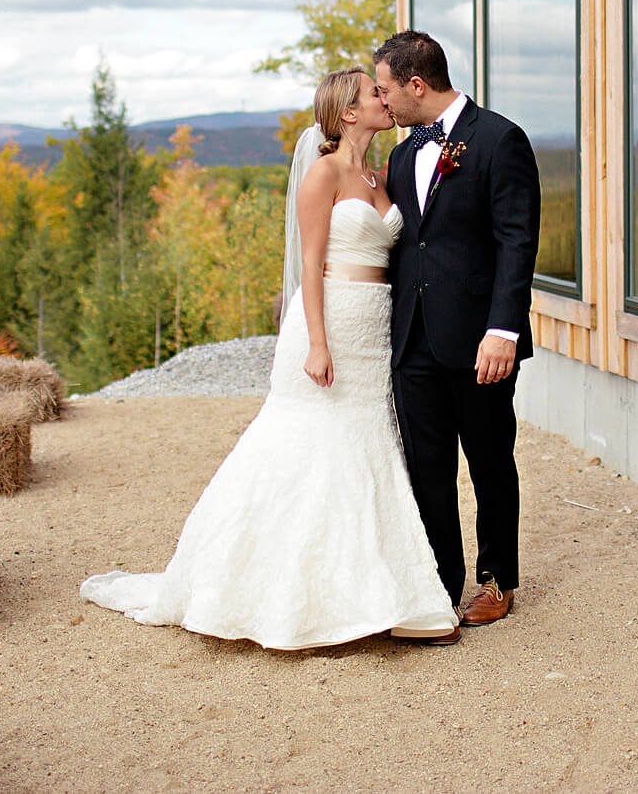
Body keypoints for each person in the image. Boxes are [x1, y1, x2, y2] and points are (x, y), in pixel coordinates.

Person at [78, 68, 458, 649]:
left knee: (368, 448)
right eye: (373, 95)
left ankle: (383, 595)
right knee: (303, 448)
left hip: (377, 330)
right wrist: (318, 341)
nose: (385, 100)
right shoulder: (323, 174)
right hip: (329, 322)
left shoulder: (381, 174)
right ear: (347, 113)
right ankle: (269, 589)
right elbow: (307, 267)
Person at [373, 30, 540, 630]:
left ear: (417, 85)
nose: (381, 99)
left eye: (386, 88)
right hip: (412, 337)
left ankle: (498, 579)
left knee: (491, 459)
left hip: (479, 342)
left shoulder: (500, 140)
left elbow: (516, 242)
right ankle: (439, 584)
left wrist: (504, 330)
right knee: (427, 467)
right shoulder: (400, 154)